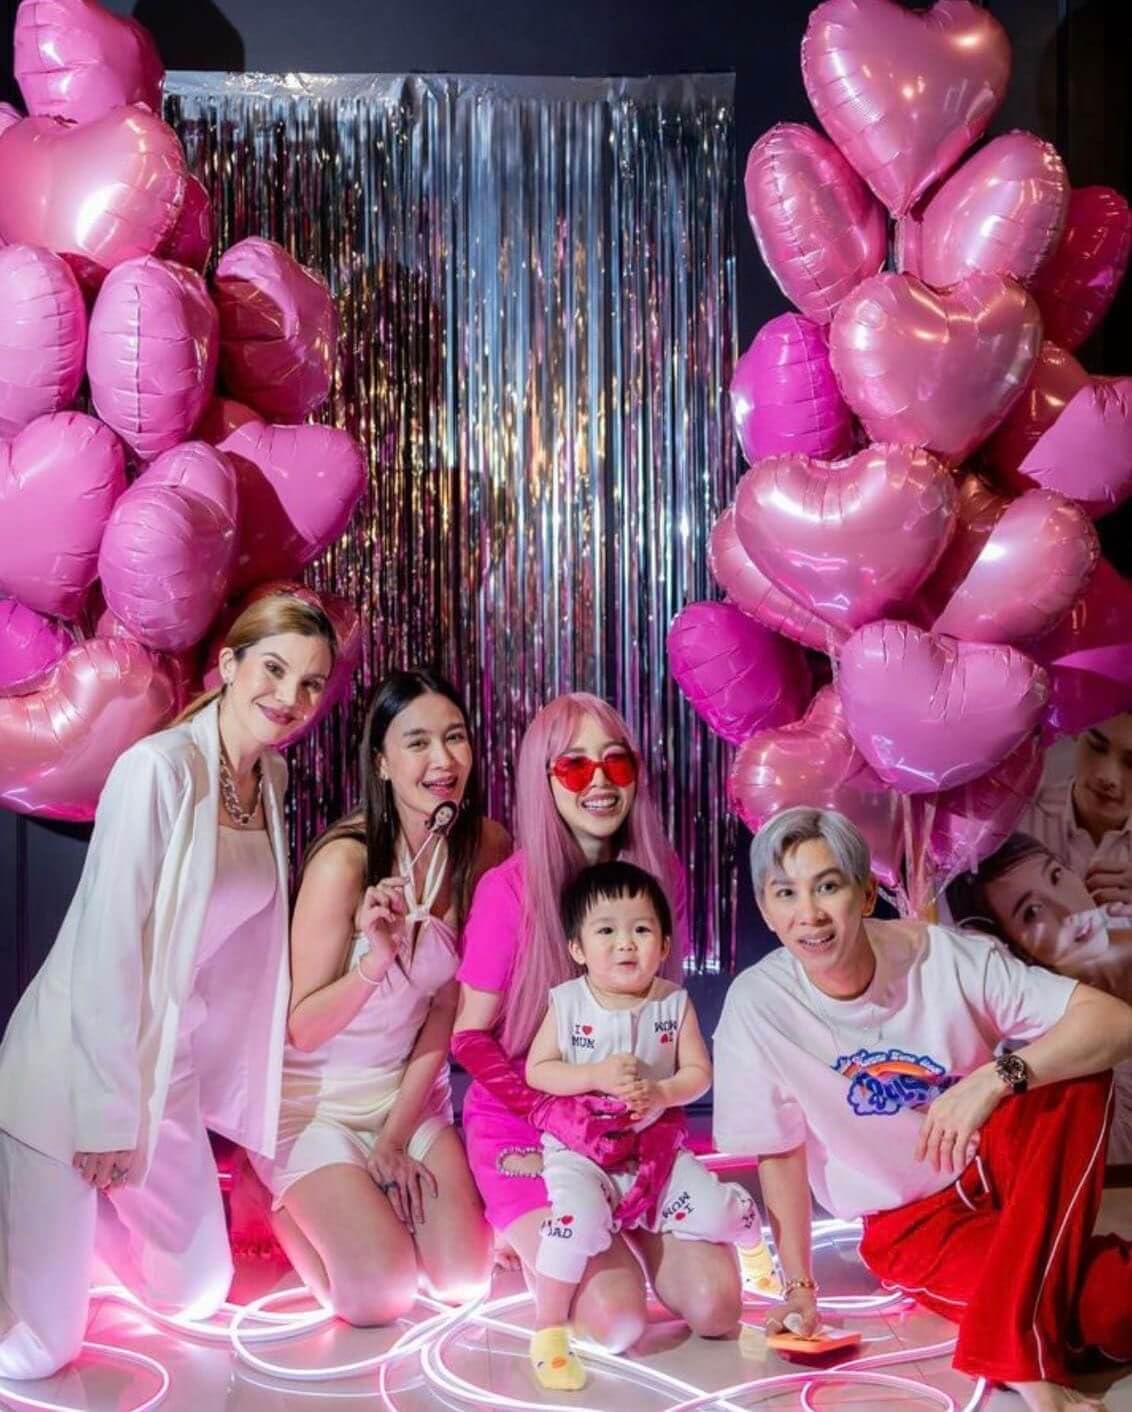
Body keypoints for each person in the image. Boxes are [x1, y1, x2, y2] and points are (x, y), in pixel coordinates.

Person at [0, 593, 337, 1380]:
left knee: (196, 1292)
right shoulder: (156, 769)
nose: (288, 697)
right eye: (274, 669)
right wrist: (106, 1117)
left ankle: (71, 1241)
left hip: (166, 1064)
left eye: (311, 684)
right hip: (72, 1071)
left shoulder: (270, 776)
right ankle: (39, 1229)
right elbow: (106, 949)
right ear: (229, 665)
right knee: (39, 1355)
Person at [714, 806, 1132, 1412]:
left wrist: (993, 1078)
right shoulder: (758, 1005)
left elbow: (1115, 1022)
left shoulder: (944, 957)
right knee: (1109, 1304)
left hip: (998, 1167)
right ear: (765, 909)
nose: (809, 914)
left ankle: (1014, 1351)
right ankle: (1029, 1326)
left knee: (1076, 1074)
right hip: (912, 1224)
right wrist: (799, 1287)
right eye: (786, 893)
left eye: (827, 886)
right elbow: (779, 1152)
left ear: (865, 894)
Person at [452, 692, 742, 1357]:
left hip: (628, 1123)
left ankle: (617, 1230)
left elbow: (660, 1020)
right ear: (544, 778)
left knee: (718, 1306)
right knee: (617, 1322)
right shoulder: (509, 891)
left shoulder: (660, 875)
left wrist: (658, 1117)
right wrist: (549, 1110)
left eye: (616, 761)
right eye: (575, 765)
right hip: (526, 1122)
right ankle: (529, 1233)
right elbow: (468, 1036)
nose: (601, 781)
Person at [251, 669, 509, 1324]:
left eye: (455, 737)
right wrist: (376, 962)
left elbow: (447, 1008)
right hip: (316, 1106)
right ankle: (278, 1202)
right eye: (417, 743)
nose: (442, 760)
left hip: (410, 1098)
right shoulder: (343, 862)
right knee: (380, 1295)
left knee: (464, 1281)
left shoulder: (485, 849)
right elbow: (303, 1028)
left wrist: (395, 1136)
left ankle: (374, 1194)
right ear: (383, 763)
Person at [524, 859, 755, 1390]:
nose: (625, 944)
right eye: (606, 931)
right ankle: (548, 1329)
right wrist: (592, 1075)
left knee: (715, 1208)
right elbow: (538, 1070)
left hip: (656, 1152)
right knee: (575, 1222)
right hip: (582, 1152)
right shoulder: (567, 1002)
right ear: (577, 948)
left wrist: (663, 1093)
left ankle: (750, 1238)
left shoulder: (672, 1003)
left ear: (665, 943)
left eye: (642, 930)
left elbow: (698, 1073)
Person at [947, 833, 1132, 1164]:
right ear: (1015, 950)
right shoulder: (1042, 1053)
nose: (1066, 910)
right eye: (1031, 912)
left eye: (1056, 876)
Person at [1021, 713, 1132, 907]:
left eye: (1131, 763)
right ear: (1075, 731)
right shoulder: (1017, 822)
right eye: (1096, 747)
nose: (1108, 776)